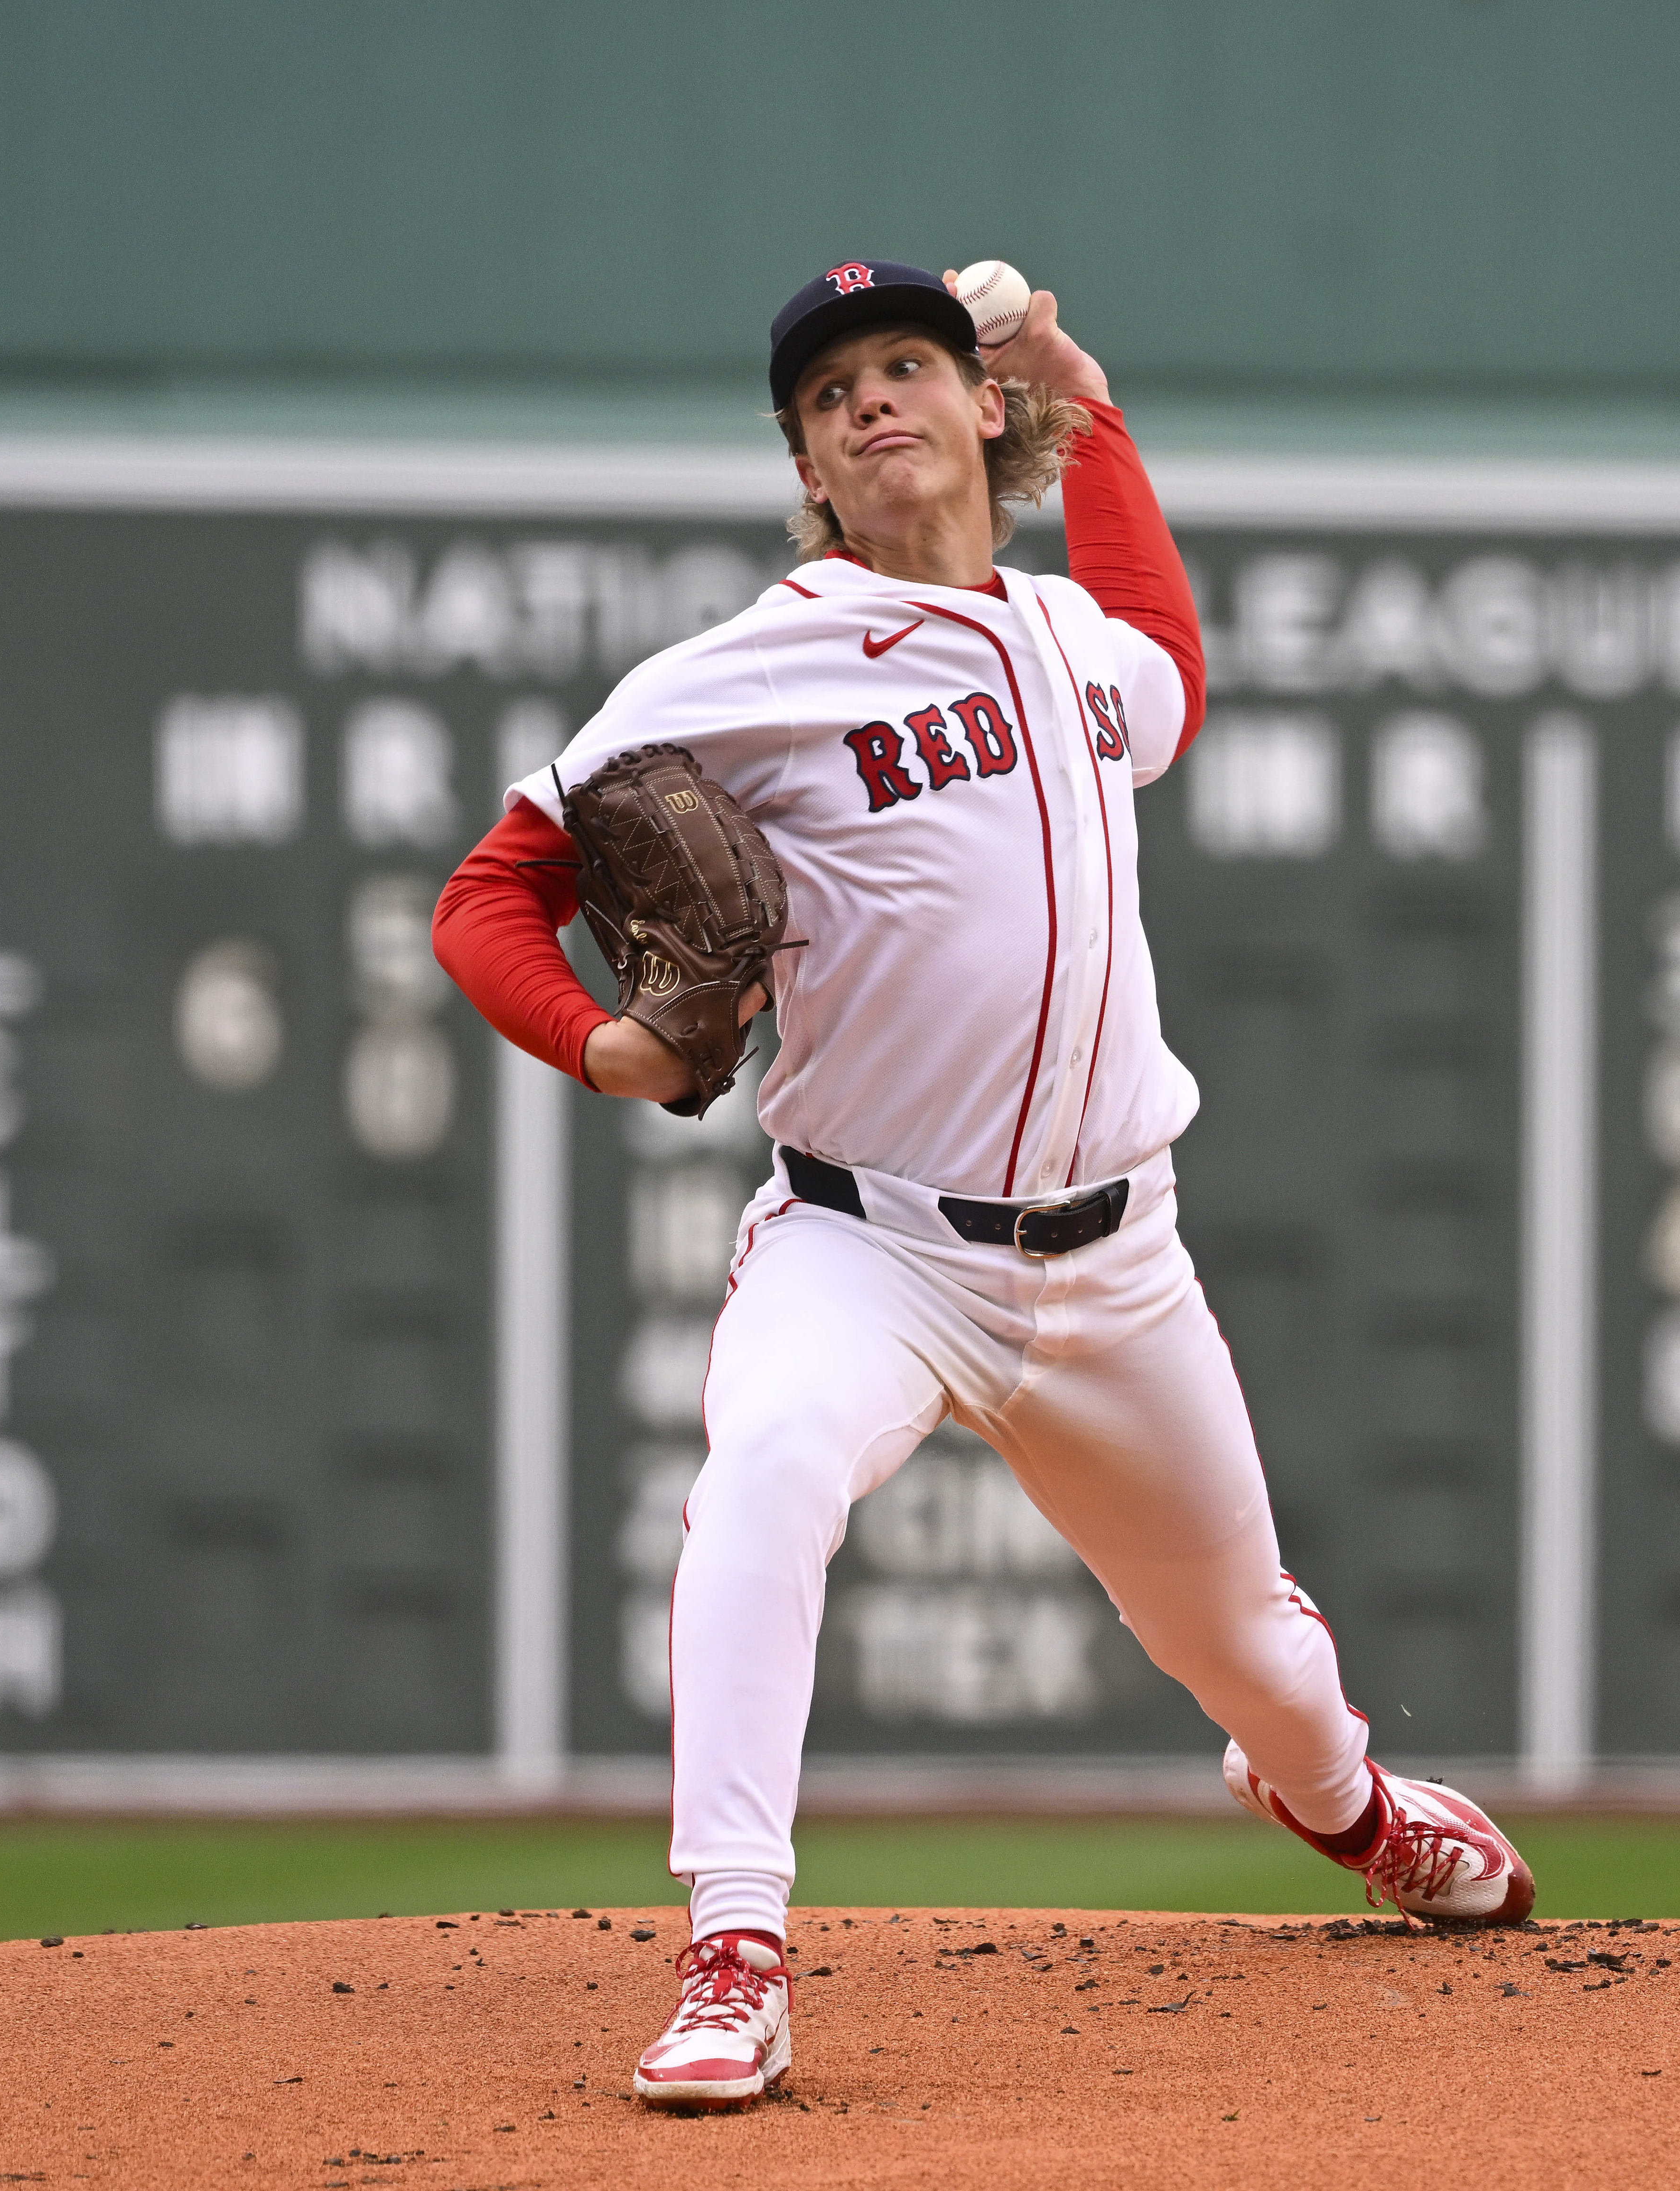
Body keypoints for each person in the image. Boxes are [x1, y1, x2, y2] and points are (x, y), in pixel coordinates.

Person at [430, 259, 1535, 2110]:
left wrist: (1095, 410)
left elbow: (1168, 660)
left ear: (977, 411)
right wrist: (606, 1044)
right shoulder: (746, 665)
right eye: (831, 392)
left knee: (1247, 1644)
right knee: (765, 1466)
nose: (875, 402)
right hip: (869, 1247)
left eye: (910, 367)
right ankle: (733, 1941)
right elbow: (491, 888)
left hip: (1119, 1260)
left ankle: (1346, 1808)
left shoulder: (1072, 644)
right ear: (807, 459)